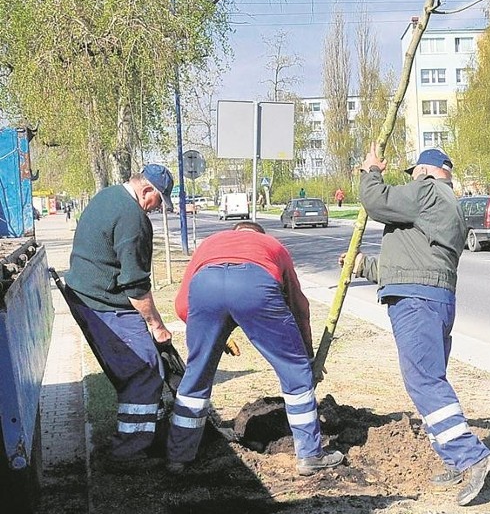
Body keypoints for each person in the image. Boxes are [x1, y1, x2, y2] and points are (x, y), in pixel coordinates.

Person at [351, 143, 490, 506]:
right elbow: (415, 262)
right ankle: (455, 458)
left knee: (424, 381)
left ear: (425, 171)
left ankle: (472, 457)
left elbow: (376, 200)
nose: (412, 178)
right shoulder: (450, 209)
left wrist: (371, 171)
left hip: (417, 303)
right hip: (433, 299)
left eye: (414, 172)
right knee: (430, 380)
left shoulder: (428, 191)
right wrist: (365, 267)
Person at [166, 221, 344, 476]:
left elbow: (183, 305)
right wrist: (305, 355)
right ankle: (310, 455)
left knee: (196, 376)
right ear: (260, 234)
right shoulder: (273, 245)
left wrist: (215, 333)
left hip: (206, 286)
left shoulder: (209, 243)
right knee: (295, 374)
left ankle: (178, 457)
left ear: (235, 231)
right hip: (254, 285)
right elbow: (298, 306)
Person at [64, 163, 175, 469]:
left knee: (137, 369)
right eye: (158, 202)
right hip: (105, 303)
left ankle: (140, 433)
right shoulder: (133, 218)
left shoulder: (109, 195)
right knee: (144, 369)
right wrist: (157, 325)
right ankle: (128, 452)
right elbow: (135, 286)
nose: (156, 209)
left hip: (86, 295)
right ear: (147, 190)